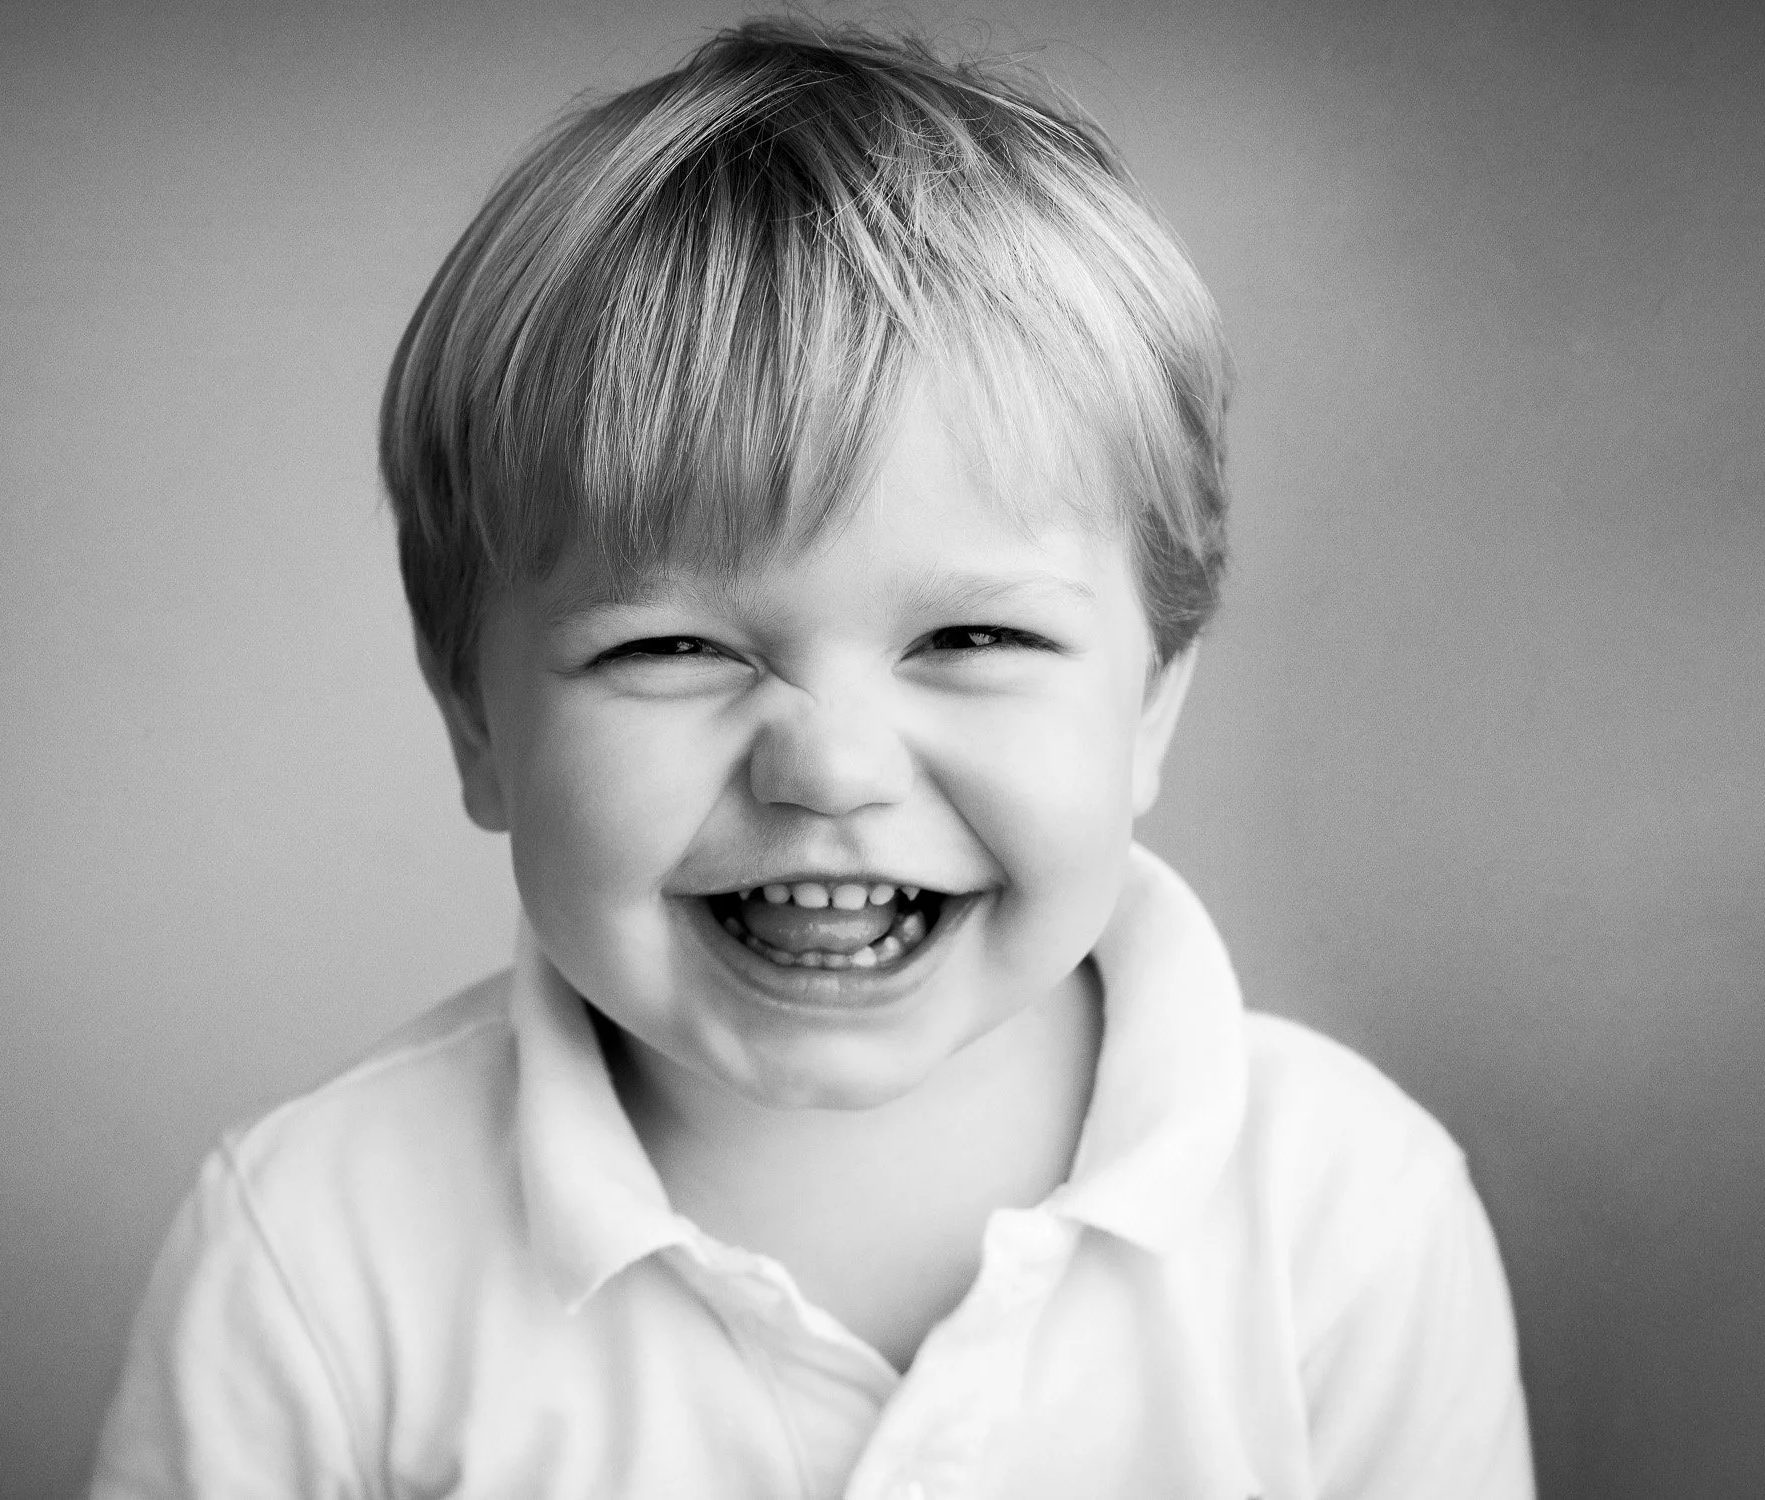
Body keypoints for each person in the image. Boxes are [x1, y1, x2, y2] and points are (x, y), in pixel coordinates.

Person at [89, 19, 1533, 1498]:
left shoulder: (1347, 1215)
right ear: (476, 720)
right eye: (672, 648)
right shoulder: (315, 1250)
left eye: (972, 640)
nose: (830, 769)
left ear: (1151, 703)